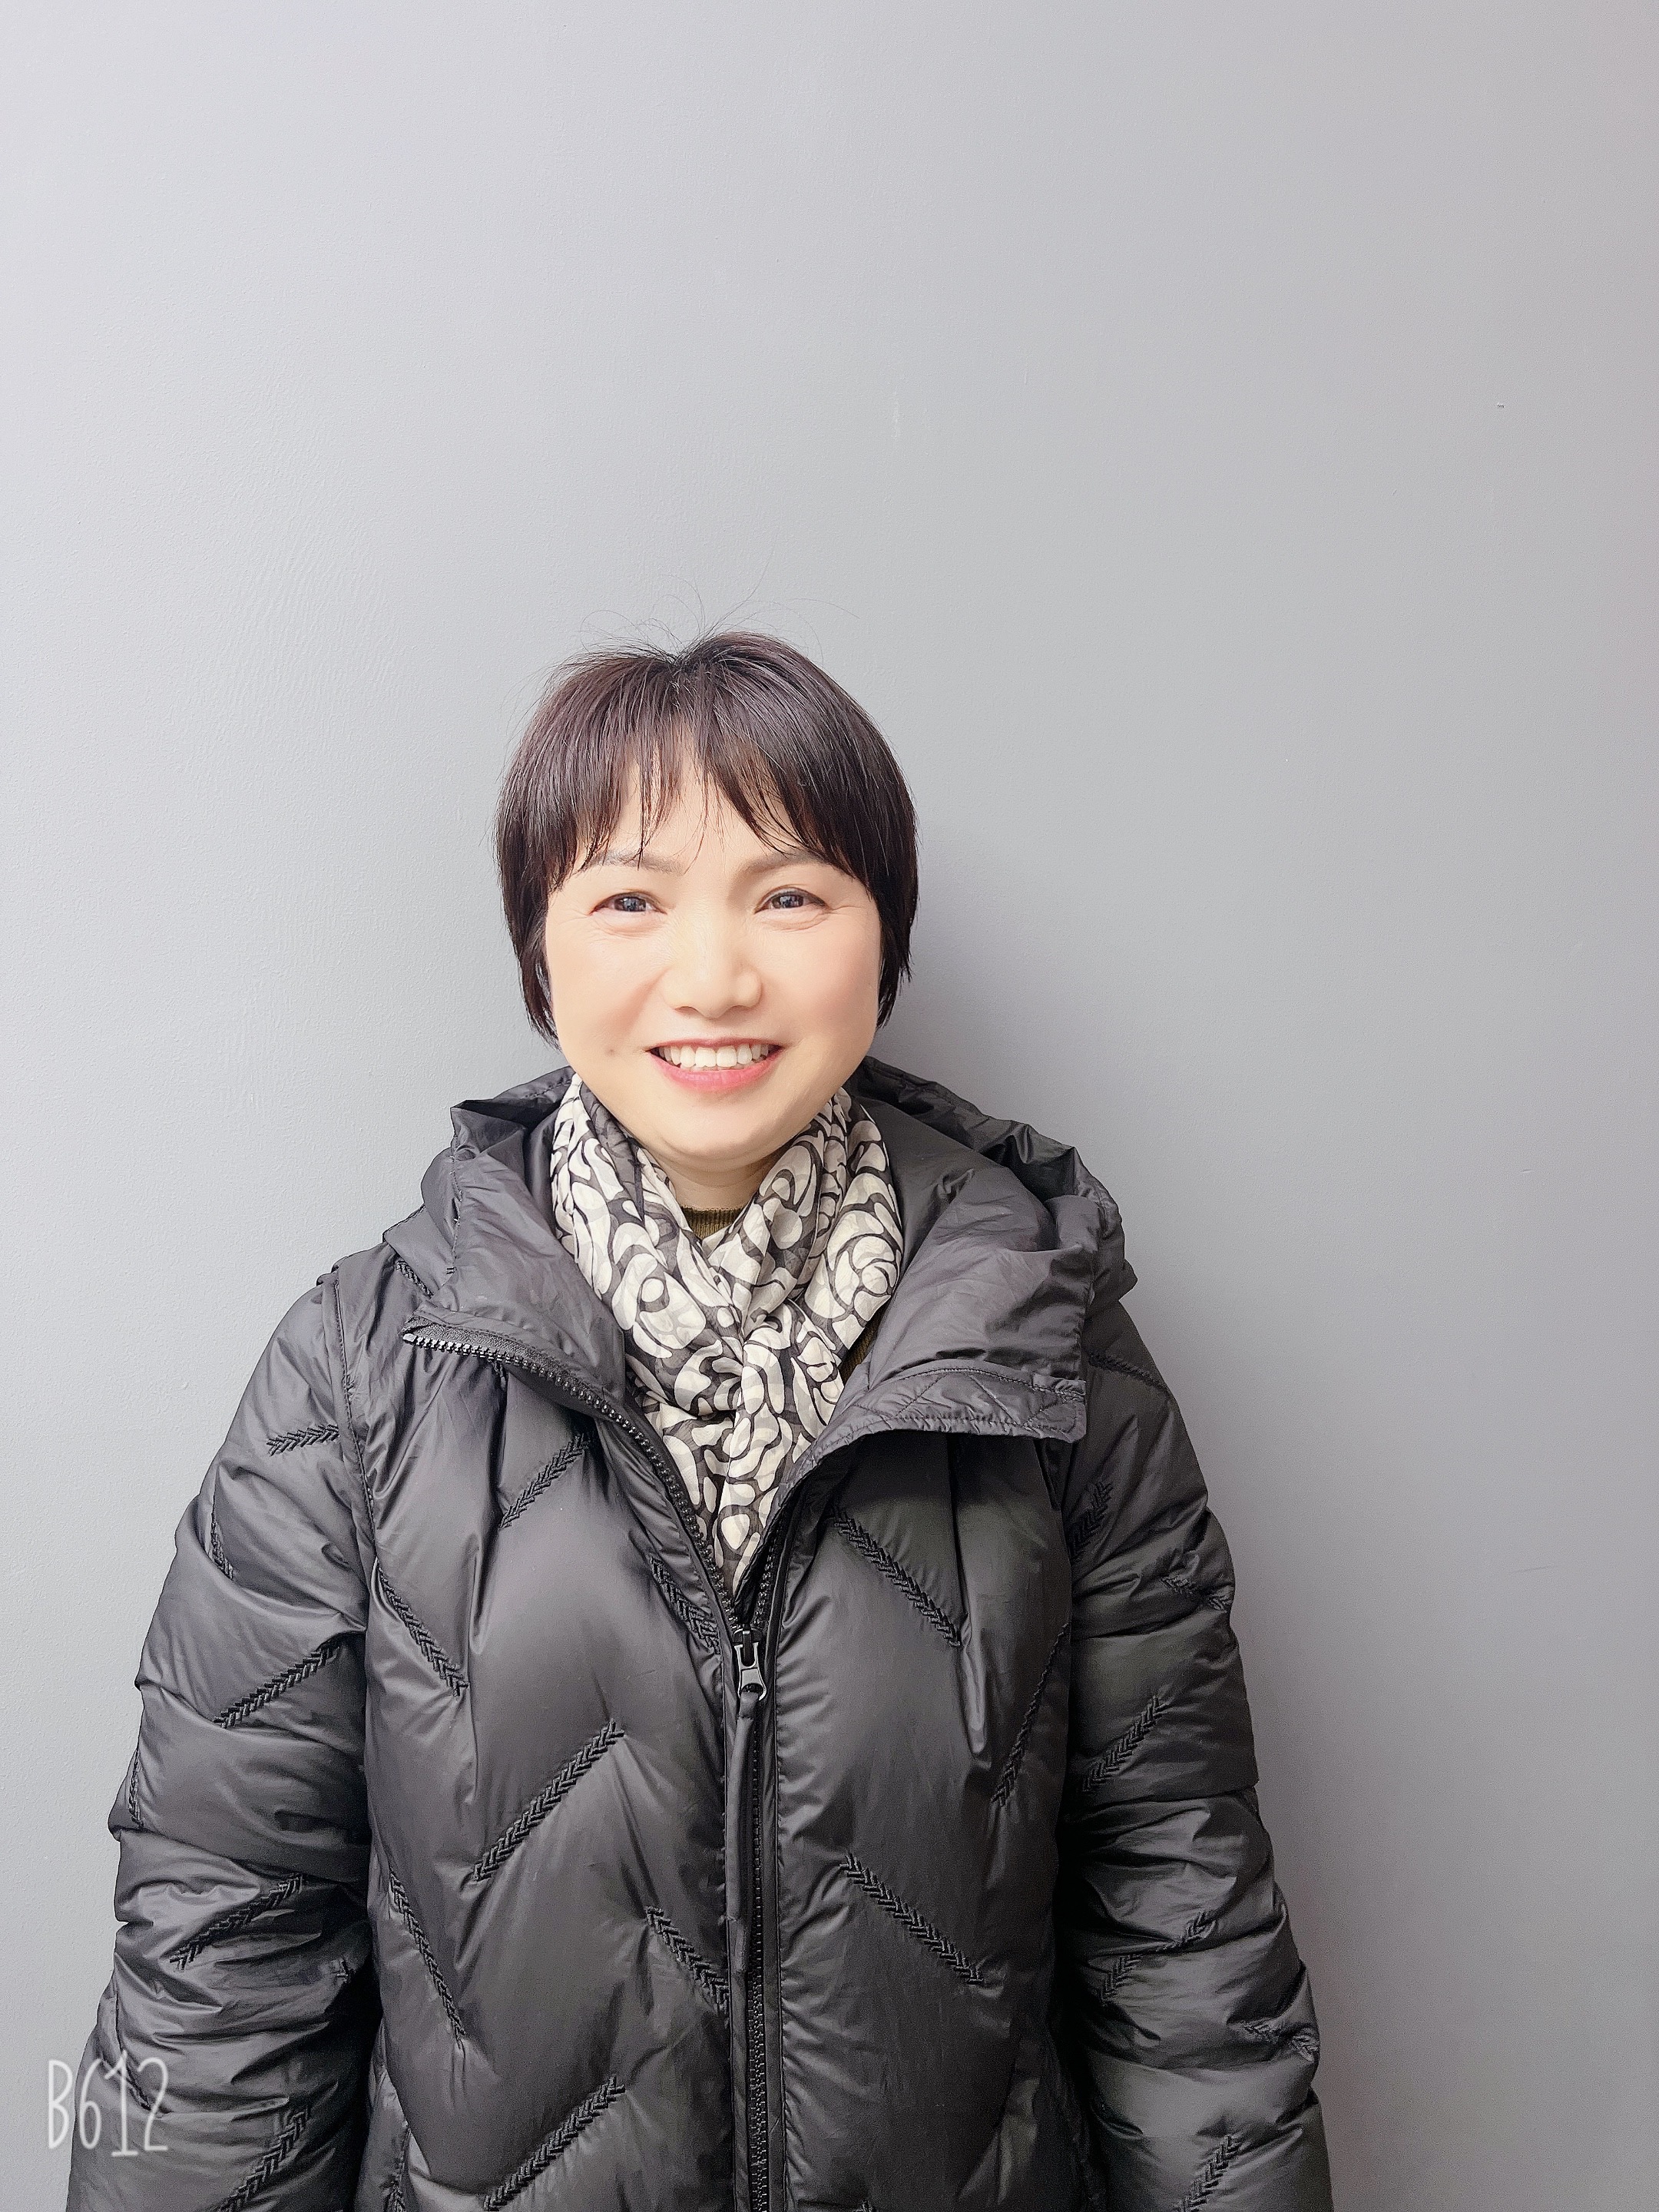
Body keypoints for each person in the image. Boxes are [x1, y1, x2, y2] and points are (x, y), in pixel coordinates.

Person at [68, 634, 1333, 2212]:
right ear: (541, 950)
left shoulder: (1051, 1353)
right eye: (630, 900)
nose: (716, 976)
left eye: (789, 896)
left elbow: (1186, 1933)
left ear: (883, 939)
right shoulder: (356, 1376)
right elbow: (219, 1962)